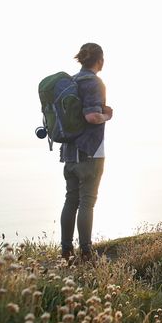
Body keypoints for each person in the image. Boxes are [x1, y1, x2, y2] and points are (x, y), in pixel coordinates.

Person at [60, 43, 113, 262]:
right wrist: (107, 116)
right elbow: (92, 117)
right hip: (90, 152)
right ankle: (86, 252)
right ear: (100, 60)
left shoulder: (71, 82)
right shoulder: (94, 83)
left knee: (70, 200)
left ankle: (65, 250)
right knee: (87, 202)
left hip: (69, 152)